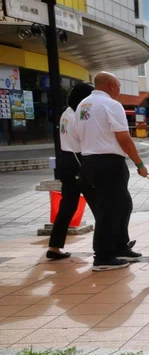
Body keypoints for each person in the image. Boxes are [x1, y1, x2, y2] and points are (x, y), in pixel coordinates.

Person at [78, 72, 146, 272]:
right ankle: (103, 256)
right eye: (118, 86)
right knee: (109, 210)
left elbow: (76, 135)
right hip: (109, 162)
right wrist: (139, 164)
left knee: (123, 205)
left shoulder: (83, 105)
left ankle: (120, 246)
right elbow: (124, 139)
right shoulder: (111, 105)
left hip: (89, 161)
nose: (119, 90)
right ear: (111, 85)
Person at [47, 82, 96, 261]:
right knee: (100, 205)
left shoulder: (66, 113)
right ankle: (111, 245)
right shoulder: (78, 115)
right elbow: (86, 140)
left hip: (66, 162)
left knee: (67, 206)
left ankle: (54, 246)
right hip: (79, 163)